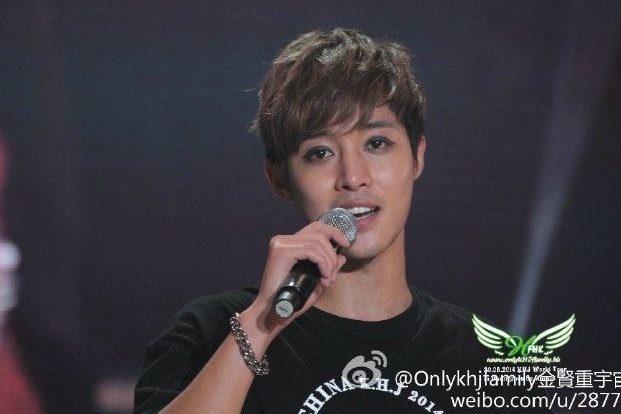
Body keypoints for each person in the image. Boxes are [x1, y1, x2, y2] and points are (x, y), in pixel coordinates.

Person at [134, 29, 539, 413]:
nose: (353, 177)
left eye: (376, 143)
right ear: (279, 178)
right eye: (320, 153)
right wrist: (260, 325)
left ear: (417, 156)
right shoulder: (208, 332)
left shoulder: (488, 359)